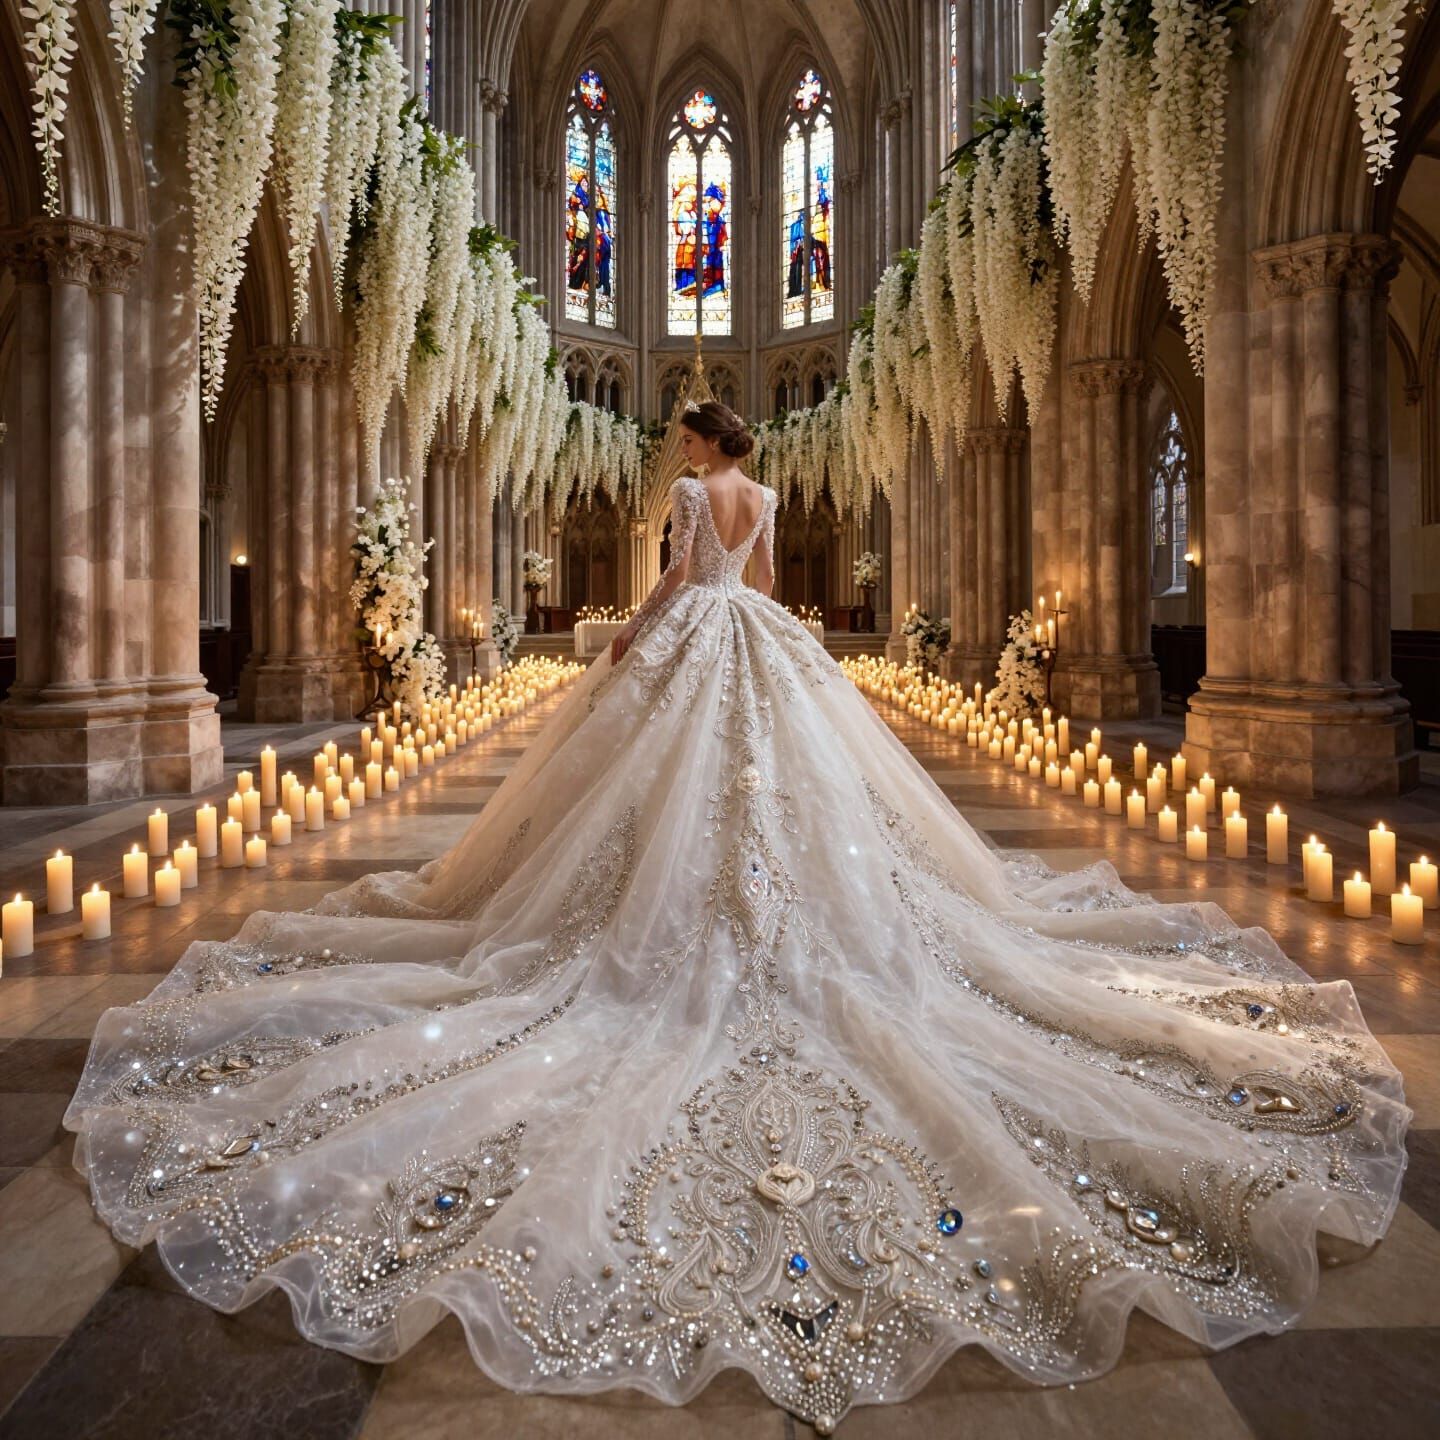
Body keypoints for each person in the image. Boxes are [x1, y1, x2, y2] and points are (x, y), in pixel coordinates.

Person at [63, 400, 1408, 1436]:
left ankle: (684, 931)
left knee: (656, 811)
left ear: (703, 444)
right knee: (785, 806)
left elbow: (674, 589)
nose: (676, 448)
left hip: (700, 650)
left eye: (682, 434)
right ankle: (792, 928)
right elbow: (755, 594)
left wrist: (634, 645)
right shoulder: (761, 494)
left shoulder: (687, 497)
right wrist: (742, 629)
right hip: (762, 650)